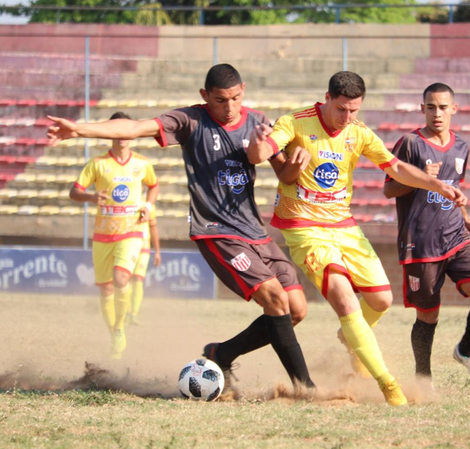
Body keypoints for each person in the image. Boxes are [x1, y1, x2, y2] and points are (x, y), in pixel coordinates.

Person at [48, 64, 315, 392]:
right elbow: (134, 128)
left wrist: (296, 164)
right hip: (215, 230)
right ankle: (307, 389)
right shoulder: (189, 120)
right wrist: (79, 130)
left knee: (296, 310)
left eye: (235, 98)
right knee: (275, 299)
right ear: (205, 96)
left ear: (243, 90)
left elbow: (285, 176)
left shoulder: (258, 121)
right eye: (220, 100)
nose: (229, 107)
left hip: (255, 231)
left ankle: (222, 352)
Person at [247, 71, 466, 406]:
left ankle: (350, 338)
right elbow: (263, 152)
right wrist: (261, 144)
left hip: (344, 226)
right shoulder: (296, 122)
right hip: (304, 227)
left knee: (380, 300)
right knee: (347, 302)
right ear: (327, 98)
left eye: (354, 111)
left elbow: (395, 168)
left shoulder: (359, 132)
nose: (347, 118)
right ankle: (388, 385)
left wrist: (436, 184)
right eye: (342, 110)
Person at [383, 82, 470, 386]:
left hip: (455, 235)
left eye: (443, 107)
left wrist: (465, 218)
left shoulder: (461, 146)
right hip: (420, 243)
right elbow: (389, 189)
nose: (437, 113)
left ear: (454, 109)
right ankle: (423, 377)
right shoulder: (409, 143)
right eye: (431, 107)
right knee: (428, 316)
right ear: (422, 109)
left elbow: (453, 188)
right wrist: (420, 180)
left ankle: (466, 350)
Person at [68, 111, 159, 360]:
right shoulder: (98, 164)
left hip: (130, 232)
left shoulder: (141, 163)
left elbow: (154, 185)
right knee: (106, 290)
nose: (121, 136)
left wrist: (148, 207)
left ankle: (121, 326)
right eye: (115, 129)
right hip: (102, 236)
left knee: (121, 279)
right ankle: (115, 331)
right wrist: (90, 197)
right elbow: (74, 192)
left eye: (125, 129)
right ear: (109, 132)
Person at [127, 200, 162, 326]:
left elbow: (153, 228)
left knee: (137, 279)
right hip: (127, 245)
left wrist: (157, 251)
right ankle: (125, 312)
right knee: (125, 279)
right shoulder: (127, 201)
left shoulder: (149, 205)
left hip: (143, 246)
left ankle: (132, 314)